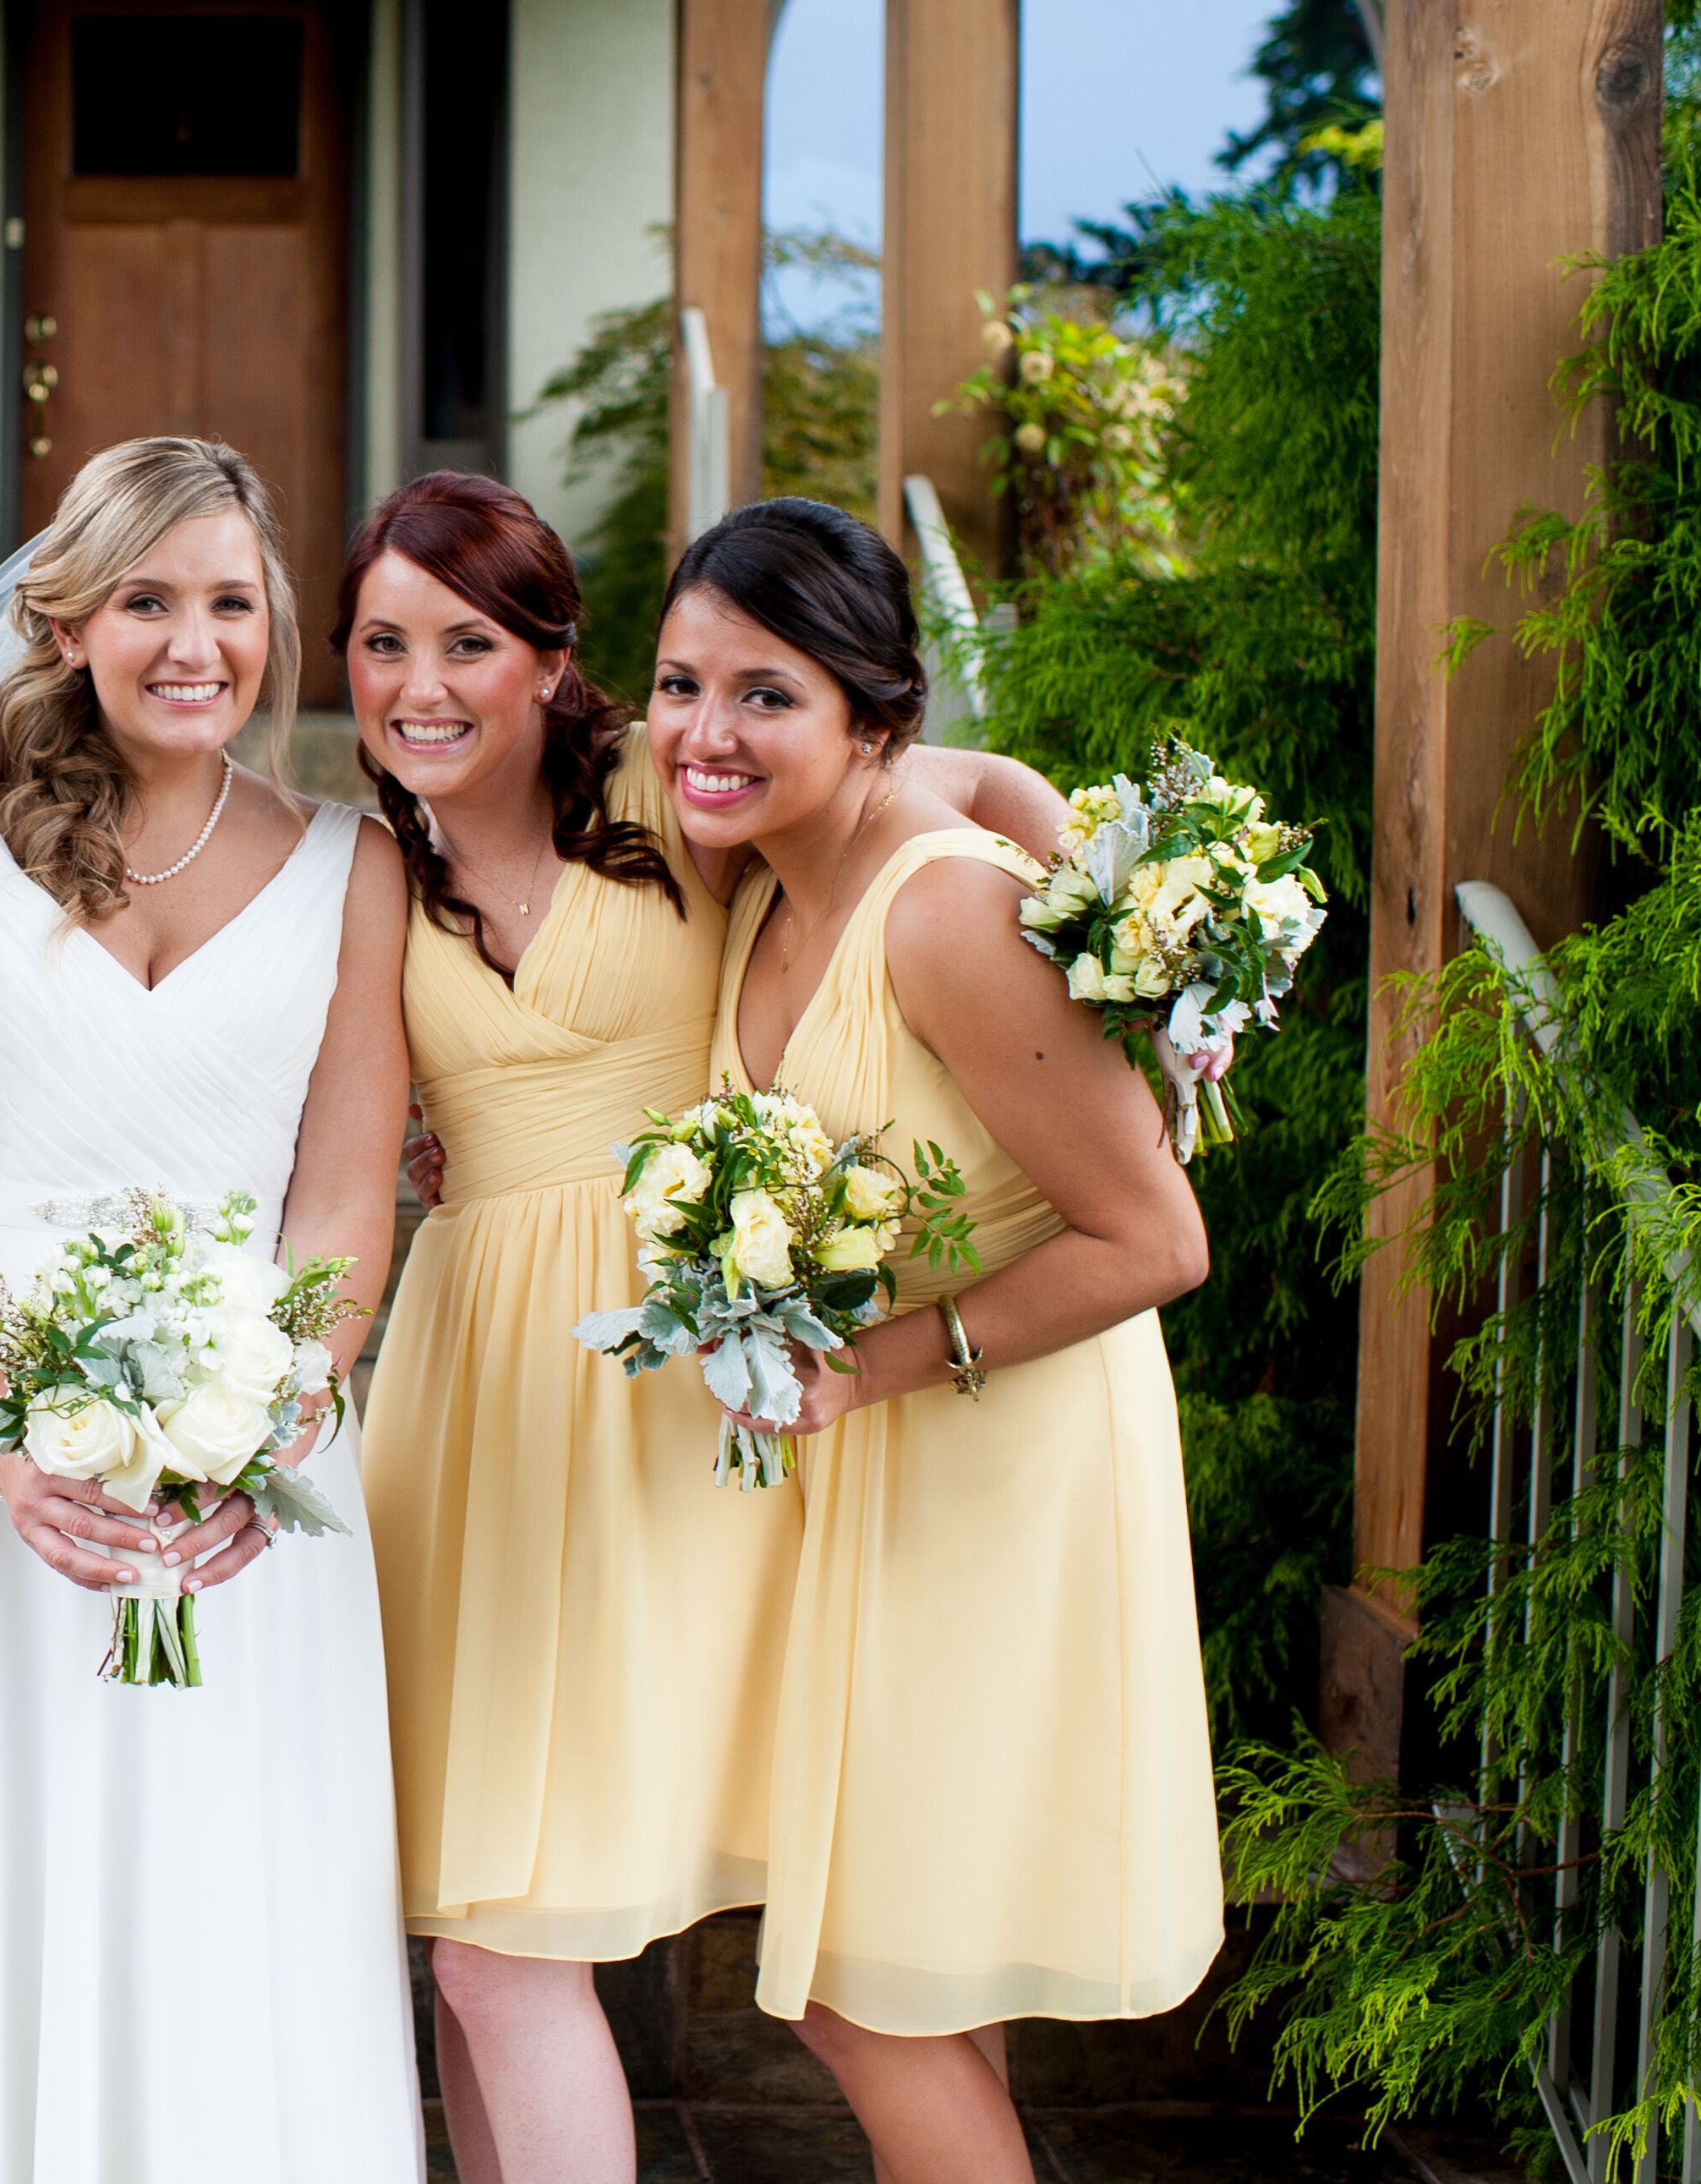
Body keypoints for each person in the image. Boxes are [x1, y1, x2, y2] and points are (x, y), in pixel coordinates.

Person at [334, 473, 1071, 2184]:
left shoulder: (674, 798)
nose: (420, 683)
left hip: (674, 1387)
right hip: (468, 1396)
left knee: (526, 1925)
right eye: (380, 645)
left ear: (553, 661)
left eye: (467, 642)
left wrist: (1129, 961)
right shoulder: (369, 867)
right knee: (468, 1909)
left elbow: (945, 788)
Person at [0, 438, 424, 2182]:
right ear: (68, 620)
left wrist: (276, 1411)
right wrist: (13, 1442)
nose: (193, 641)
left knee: (220, 1875)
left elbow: (344, 1198)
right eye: (147, 600)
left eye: (228, 600)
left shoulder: (355, 864)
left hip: (245, 1467)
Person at [660, 497, 1221, 2184]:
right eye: (682, 680)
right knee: (907, 1959)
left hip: (1000, 1472)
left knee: (860, 1985)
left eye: (768, 693)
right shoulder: (765, 876)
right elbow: (980, 782)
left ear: (871, 717)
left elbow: (1155, 1238)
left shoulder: (947, 917)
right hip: (882, 1487)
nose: (705, 731)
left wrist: (868, 1367)